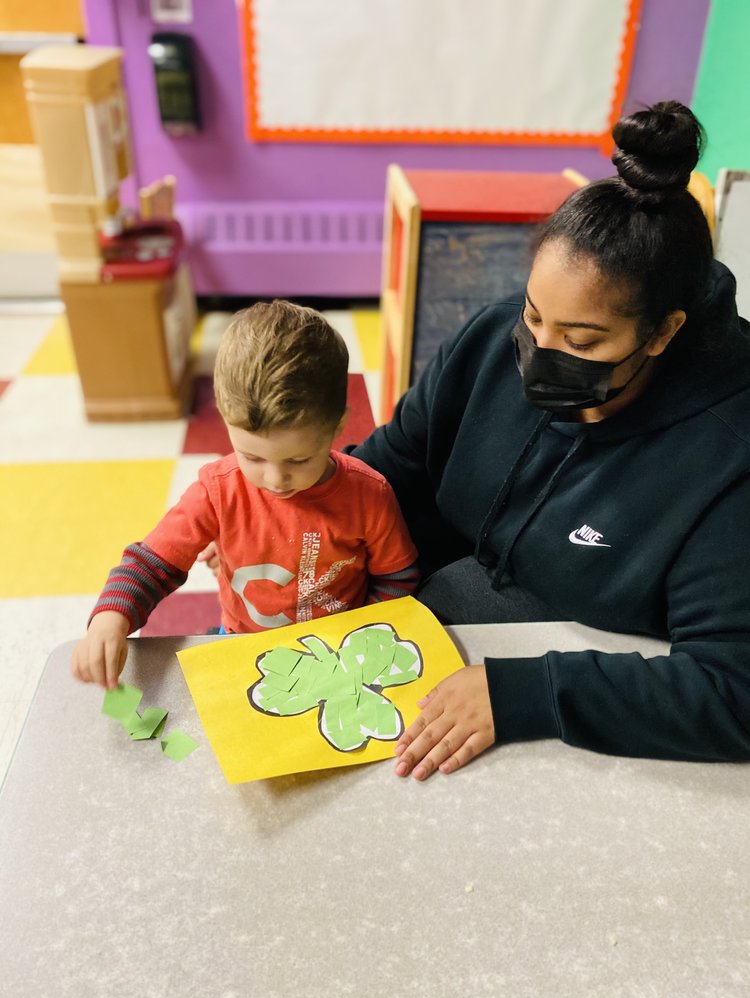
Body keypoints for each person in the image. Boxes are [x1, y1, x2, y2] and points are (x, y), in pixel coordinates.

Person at [349, 100, 750, 776]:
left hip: (590, 701)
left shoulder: (726, 458)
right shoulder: (489, 343)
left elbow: (733, 692)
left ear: (661, 332)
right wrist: (298, 516)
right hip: (440, 631)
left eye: (581, 340)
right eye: (535, 316)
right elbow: (384, 474)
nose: (539, 350)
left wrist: (524, 694)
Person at [71, 300, 418, 690]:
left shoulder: (369, 495)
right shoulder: (217, 490)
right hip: (243, 644)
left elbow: (397, 578)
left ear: (338, 425)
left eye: (300, 459)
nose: (275, 479)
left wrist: (363, 642)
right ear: (222, 415)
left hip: (339, 653)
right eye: (252, 456)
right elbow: (153, 564)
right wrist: (110, 619)